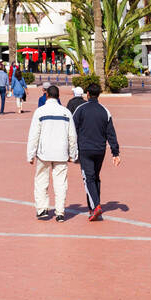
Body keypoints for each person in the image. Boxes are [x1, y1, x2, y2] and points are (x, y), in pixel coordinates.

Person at [26, 84, 79, 222]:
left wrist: (30, 154)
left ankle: (42, 209)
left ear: (47, 95)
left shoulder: (40, 111)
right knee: (61, 183)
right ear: (58, 96)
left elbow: (33, 135)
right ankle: (60, 212)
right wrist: (73, 154)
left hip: (44, 153)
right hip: (61, 153)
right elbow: (72, 136)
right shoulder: (66, 112)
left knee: (41, 181)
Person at [73, 82, 121, 221]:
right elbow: (111, 133)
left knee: (88, 178)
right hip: (100, 150)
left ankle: (96, 206)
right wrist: (115, 152)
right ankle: (92, 207)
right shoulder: (105, 111)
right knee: (95, 177)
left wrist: (70, 148)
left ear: (87, 94)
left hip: (85, 149)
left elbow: (72, 128)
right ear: (99, 94)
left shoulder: (81, 109)